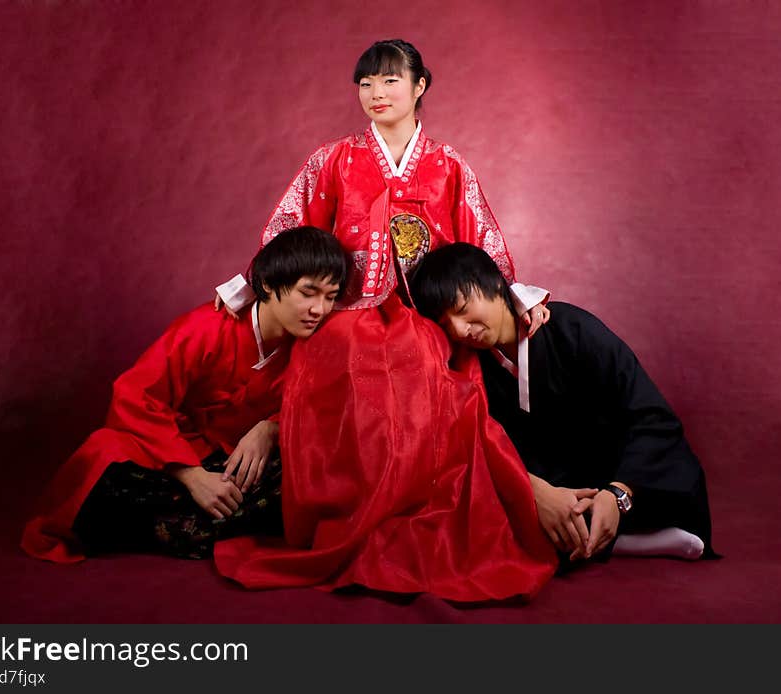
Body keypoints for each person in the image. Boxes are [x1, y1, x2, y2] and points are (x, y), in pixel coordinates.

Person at [210, 39, 558, 602]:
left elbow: (481, 242)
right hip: (344, 312)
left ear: (420, 87)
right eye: (366, 83)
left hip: (425, 316)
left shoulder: (449, 166)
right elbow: (288, 232)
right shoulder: (333, 160)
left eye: (391, 81)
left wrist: (515, 298)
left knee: (426, 361)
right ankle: (349, 516)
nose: (376, 93)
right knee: (343, 350)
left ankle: (413, 516)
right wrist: (250, 286)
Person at [21, 226, 349, 562]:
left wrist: (270, 428)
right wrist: (191, 475)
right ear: (267, 284)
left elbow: (316, 411)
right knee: (104, 452)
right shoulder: (205, 328)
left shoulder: (311, 348)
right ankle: (204, 519)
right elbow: (135, 396)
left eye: (330, 296)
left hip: (233, 458)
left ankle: (192, 521)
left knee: (319, 466)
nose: (319, 309)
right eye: (308, 293)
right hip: (169, 450)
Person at [408, 242, 718, 565]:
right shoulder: (473, 368)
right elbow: (478, 445)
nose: (460, 330)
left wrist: (618, 494)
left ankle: (611, 529)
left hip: (611, 468)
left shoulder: (573, 331)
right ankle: (619, 541)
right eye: (446, 325)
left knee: (673, 461)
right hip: (544, 483)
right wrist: (534, 491)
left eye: (461, 309)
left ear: (495, 283)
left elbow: (649, 414)